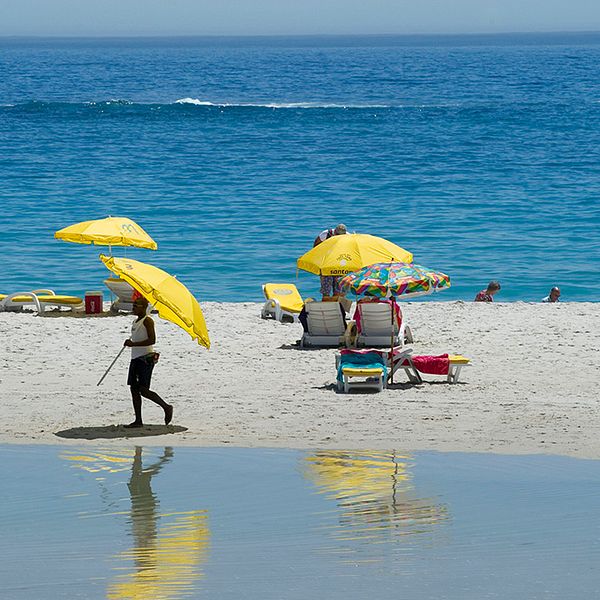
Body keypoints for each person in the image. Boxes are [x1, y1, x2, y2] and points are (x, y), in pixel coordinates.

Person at [124, 297, 173, 428]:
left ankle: (167, 407)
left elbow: (152, 340)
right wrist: (131, 344)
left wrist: (133, 344)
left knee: (144, 390)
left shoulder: (148, 321)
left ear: (144, 307)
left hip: (145, 359)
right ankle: (138, 420)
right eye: (133, 304)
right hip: (135, 358)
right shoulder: (136, 322)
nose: (133, 307)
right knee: (134, 389)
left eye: (137, 305)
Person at [313, 224, 349, 298]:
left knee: (339, 288)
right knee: (326, 288)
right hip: (326, 263)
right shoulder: (326, 234)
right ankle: (326, 303)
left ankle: (337, 306)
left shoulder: (348, 236)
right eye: (337, 235)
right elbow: (315, 246)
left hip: (339, 263)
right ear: (334, 232)